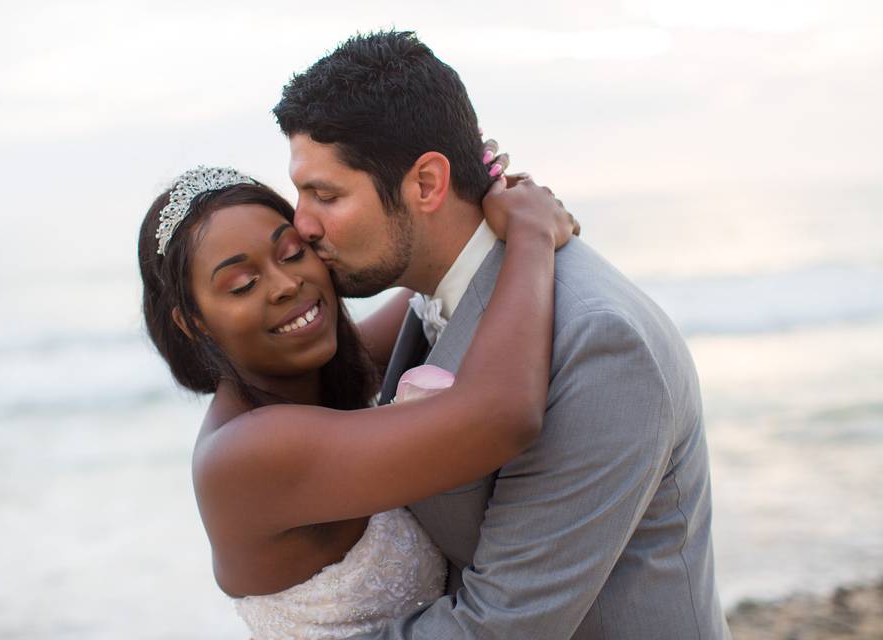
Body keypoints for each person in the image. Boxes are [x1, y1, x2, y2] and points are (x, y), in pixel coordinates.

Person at [273, 30, 732, 639]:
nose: (301, 226)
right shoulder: (437, 291)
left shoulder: (599, 344)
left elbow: (500, 627)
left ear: (429, 185)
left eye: (325, 195)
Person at [137, 164, 575, 638]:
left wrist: (475, 182)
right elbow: (502, 416)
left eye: (291, 252)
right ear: (194, 323)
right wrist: (532, 236)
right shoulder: (245, 454)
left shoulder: (320, 372)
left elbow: (436, 273)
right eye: (242, 284)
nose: (285, 284)